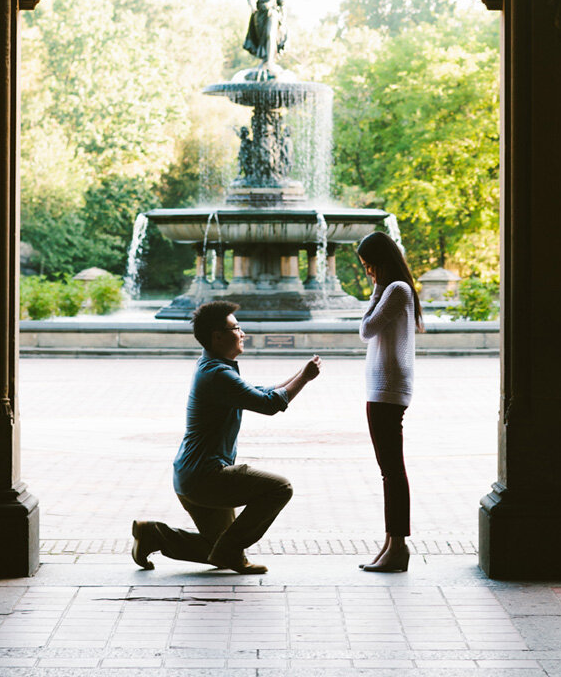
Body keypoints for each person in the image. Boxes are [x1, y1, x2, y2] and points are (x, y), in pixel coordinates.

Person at [131, 300, 321, 575]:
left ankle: (154, 535)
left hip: (189, 477)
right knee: (280, 488)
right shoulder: (218, 374)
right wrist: (304, 378)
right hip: (207, 476)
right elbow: (269, 405)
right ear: (217, 336)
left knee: (215, 550)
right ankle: (231, 550)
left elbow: (263, 393)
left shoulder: (214, 367)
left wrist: (301, 375)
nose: (242, 333)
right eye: (236, 327)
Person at [356, 231, 424, 573]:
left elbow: (366, 329)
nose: (369, 273)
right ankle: (390, 543)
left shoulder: (395, 289)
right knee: (389, 471)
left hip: (388, 388)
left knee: (392, 471)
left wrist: (376, 290)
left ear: (382, 263)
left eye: (370, 266)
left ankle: (398, 547)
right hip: (383, 387)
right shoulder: (396, 289)